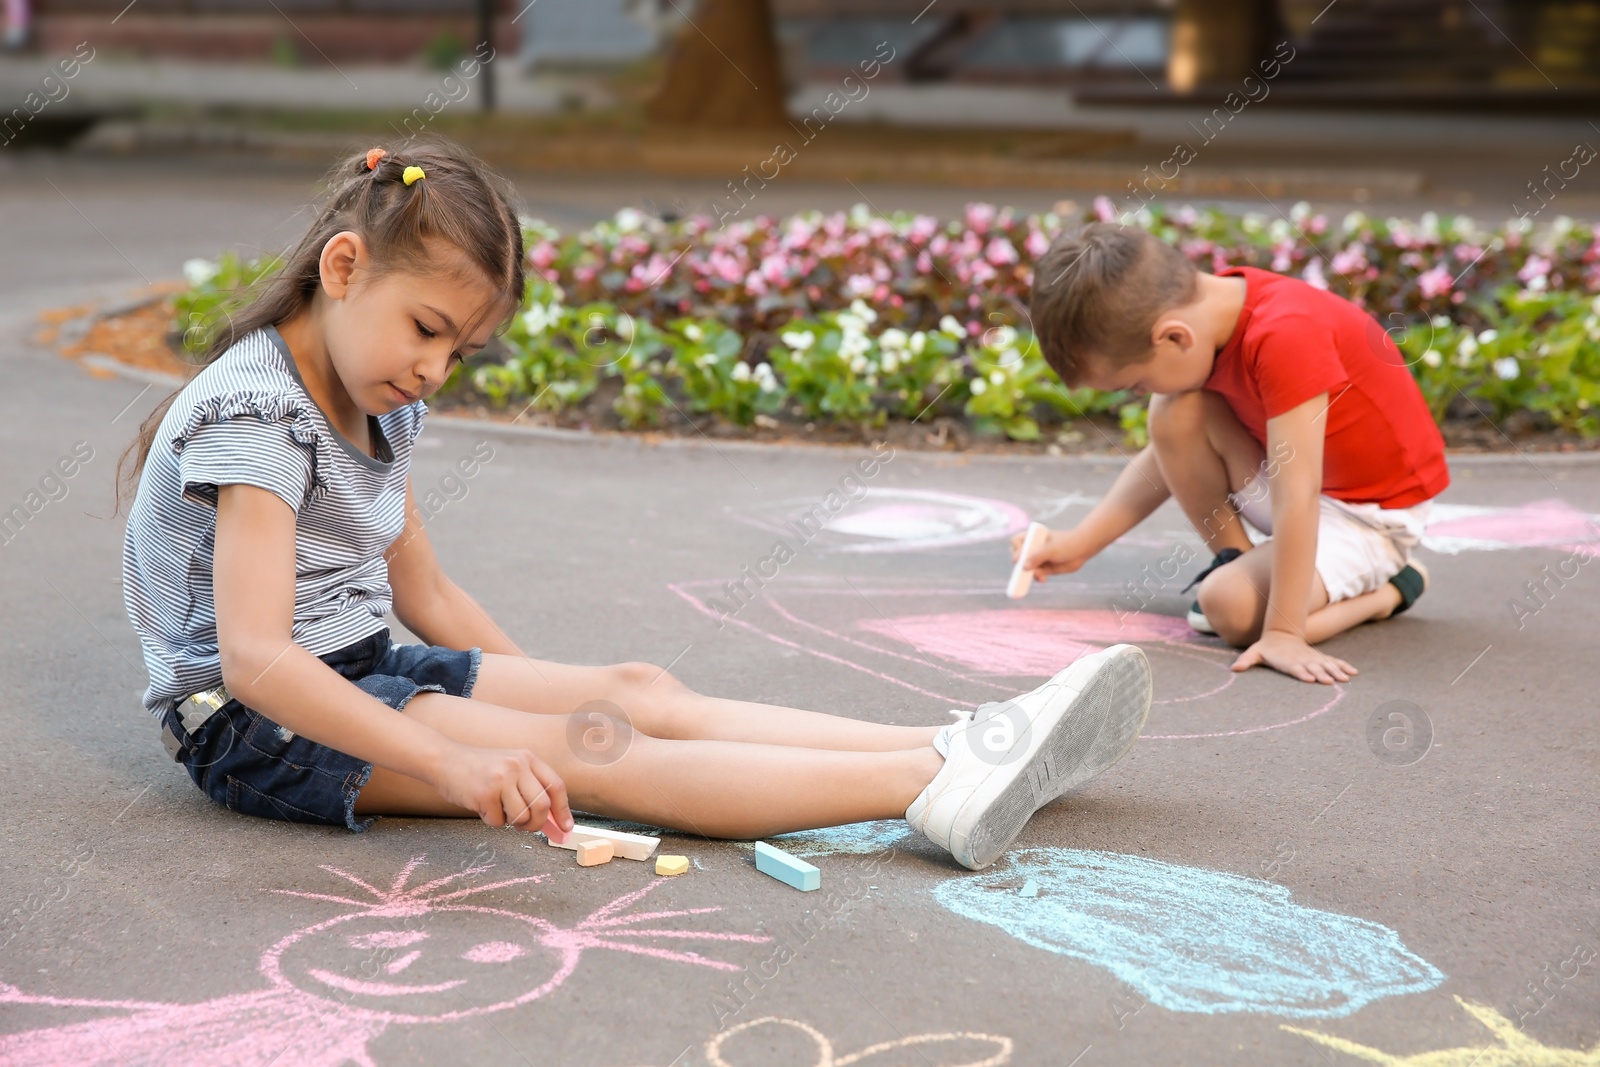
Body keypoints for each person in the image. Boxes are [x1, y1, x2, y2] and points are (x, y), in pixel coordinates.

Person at [117, 140, 1154, 871]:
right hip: (253, 724)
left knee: (629, 691)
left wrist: (549, 709)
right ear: (343, 267)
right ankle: (932, 784)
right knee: (608, 752)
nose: (435, 367)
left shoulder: (376, 389)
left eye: (459, 351)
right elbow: (255, 656)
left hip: (358, 666)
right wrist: (464, 754)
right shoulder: (258, 412)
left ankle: (962, 736)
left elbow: (419, 581)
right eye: (426, 328)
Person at [1014, 223, 1448, 686]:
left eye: (1134, 383)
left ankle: (1389, 590)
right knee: (1174, 413)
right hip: (1301, 489)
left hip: (1370, 516)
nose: (1139, 393)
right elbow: (1165, 453)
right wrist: (1080, 543)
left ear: (1175, 338)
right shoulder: (1212, 308)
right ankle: (1239, 564)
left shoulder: (1285, 334)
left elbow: (1296, 493)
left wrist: (1283, 632)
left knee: (1228, 609)